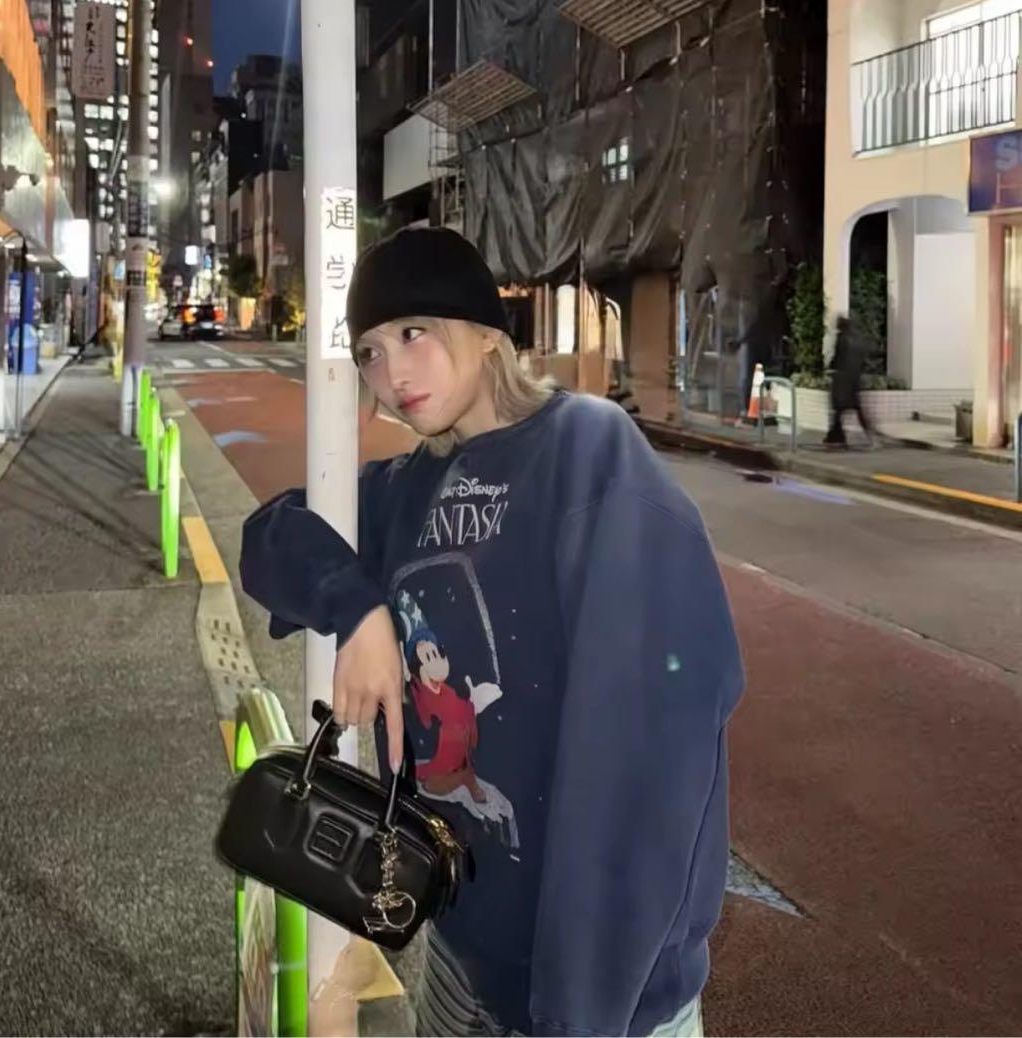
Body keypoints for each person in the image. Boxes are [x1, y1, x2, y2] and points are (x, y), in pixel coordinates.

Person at [240, 227, 744, 1038]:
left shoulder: (588, 453)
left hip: (606, 998)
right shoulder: (408, 488)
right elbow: (270, 535)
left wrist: (581, 1012)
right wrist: (357, 610)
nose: (392, 374)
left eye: (414, 333)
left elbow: (647, 753)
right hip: (459, 955)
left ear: (483, 333)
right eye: (369, 352)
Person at [824, 315, 875, 448]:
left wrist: (830, 367)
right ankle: (867, 436)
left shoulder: (842, 338)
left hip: (842, 380)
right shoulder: (857, 339)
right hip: (854, 379)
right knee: (856, 408)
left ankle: (836, 437)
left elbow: (837, 357)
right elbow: (863, 360)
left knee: (838, 409)